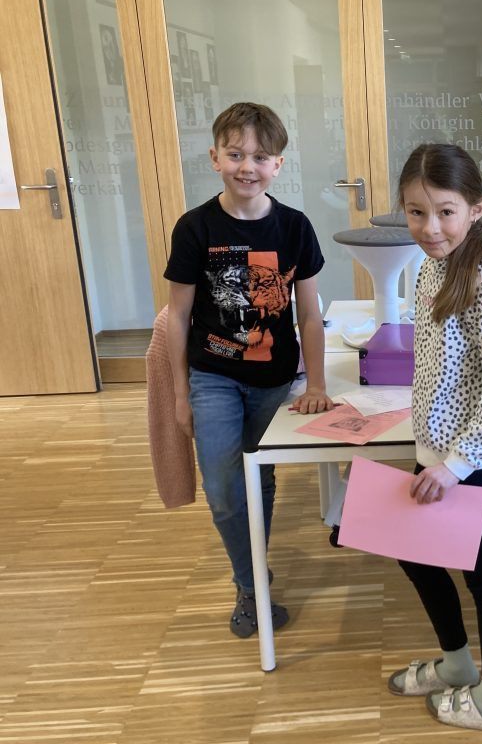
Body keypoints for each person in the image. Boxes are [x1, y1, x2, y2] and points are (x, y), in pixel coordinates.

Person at [163, 102, 333, 638]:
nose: (247, 167)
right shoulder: (195, 228)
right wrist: (180, 395)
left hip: (274, 379)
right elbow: (177, 317)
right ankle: (250, 582)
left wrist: (317, 383)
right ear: (215, 157)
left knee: (259, 476)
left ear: (278, 164)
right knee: (221, 485)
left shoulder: (294, 226)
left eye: (261, 157)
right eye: (236, 154)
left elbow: (309, 313)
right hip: (211, 375)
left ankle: (253, 564)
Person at [385, 143, 482, 733]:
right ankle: (457, 663)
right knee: (415, 552)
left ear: (475, 208)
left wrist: (455, 465)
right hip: (436, 448)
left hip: (469, 458)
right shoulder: (432, 267)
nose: (430, 227)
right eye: (416, 212)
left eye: (445, 212)